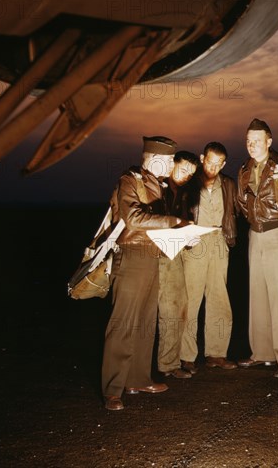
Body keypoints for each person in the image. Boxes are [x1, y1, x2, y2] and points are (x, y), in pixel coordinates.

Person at [101, 135, 187, 411]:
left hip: (151, 257)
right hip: (131, 256)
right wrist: (174, 221)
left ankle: (138, 379)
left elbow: (156, 227)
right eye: (170, 159)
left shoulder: (159, 185)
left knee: (146, 321)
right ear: (154, 158)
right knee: (123, 323)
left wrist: (183, 234)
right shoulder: (131, 180)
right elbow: (134, 219)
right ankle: (112, 389)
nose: (173, 164)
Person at [236, 118, 278, 378]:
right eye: (248, 141)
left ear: (269, 142)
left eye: (257, 141)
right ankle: (262, 353)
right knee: (258, 295)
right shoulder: (244, 168)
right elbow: (242, 203)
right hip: (256, 234)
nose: (252, 145)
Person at [179, 142, 238, 374]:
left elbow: (238, 209)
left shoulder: (229, 184)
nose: (212, 167)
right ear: (203, 158)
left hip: (219, 240)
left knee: (219, 298)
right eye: (209, 161)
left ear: (223, 163)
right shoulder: (189, 182)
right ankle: (186, 356)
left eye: (218, 163)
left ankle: (217, 353)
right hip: (195, 239)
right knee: (190, 298)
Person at [157, 151, 199, 379]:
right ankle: (156, 366)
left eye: (191, 174)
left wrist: (189, 235)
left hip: (173, 254)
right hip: (154, 255)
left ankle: (168, 364)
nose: (186, 176)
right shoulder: (158, 187)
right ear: (172, 164)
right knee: (164, 310)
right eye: (183, 170)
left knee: (177, 306)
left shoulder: (183, 192)